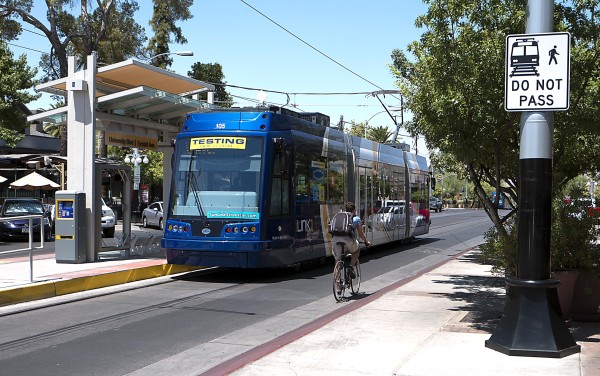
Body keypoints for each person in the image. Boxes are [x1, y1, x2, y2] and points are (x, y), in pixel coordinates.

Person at [331, 202, 371, 277]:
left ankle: (337, 284)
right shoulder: (356, 218)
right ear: (354, 210)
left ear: (345, 209)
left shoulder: (337, 216)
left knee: (337, 261)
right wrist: (366, 242)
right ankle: (350, 267)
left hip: (335, 239)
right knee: (356, 250)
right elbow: (360, 234)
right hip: (347, 239)